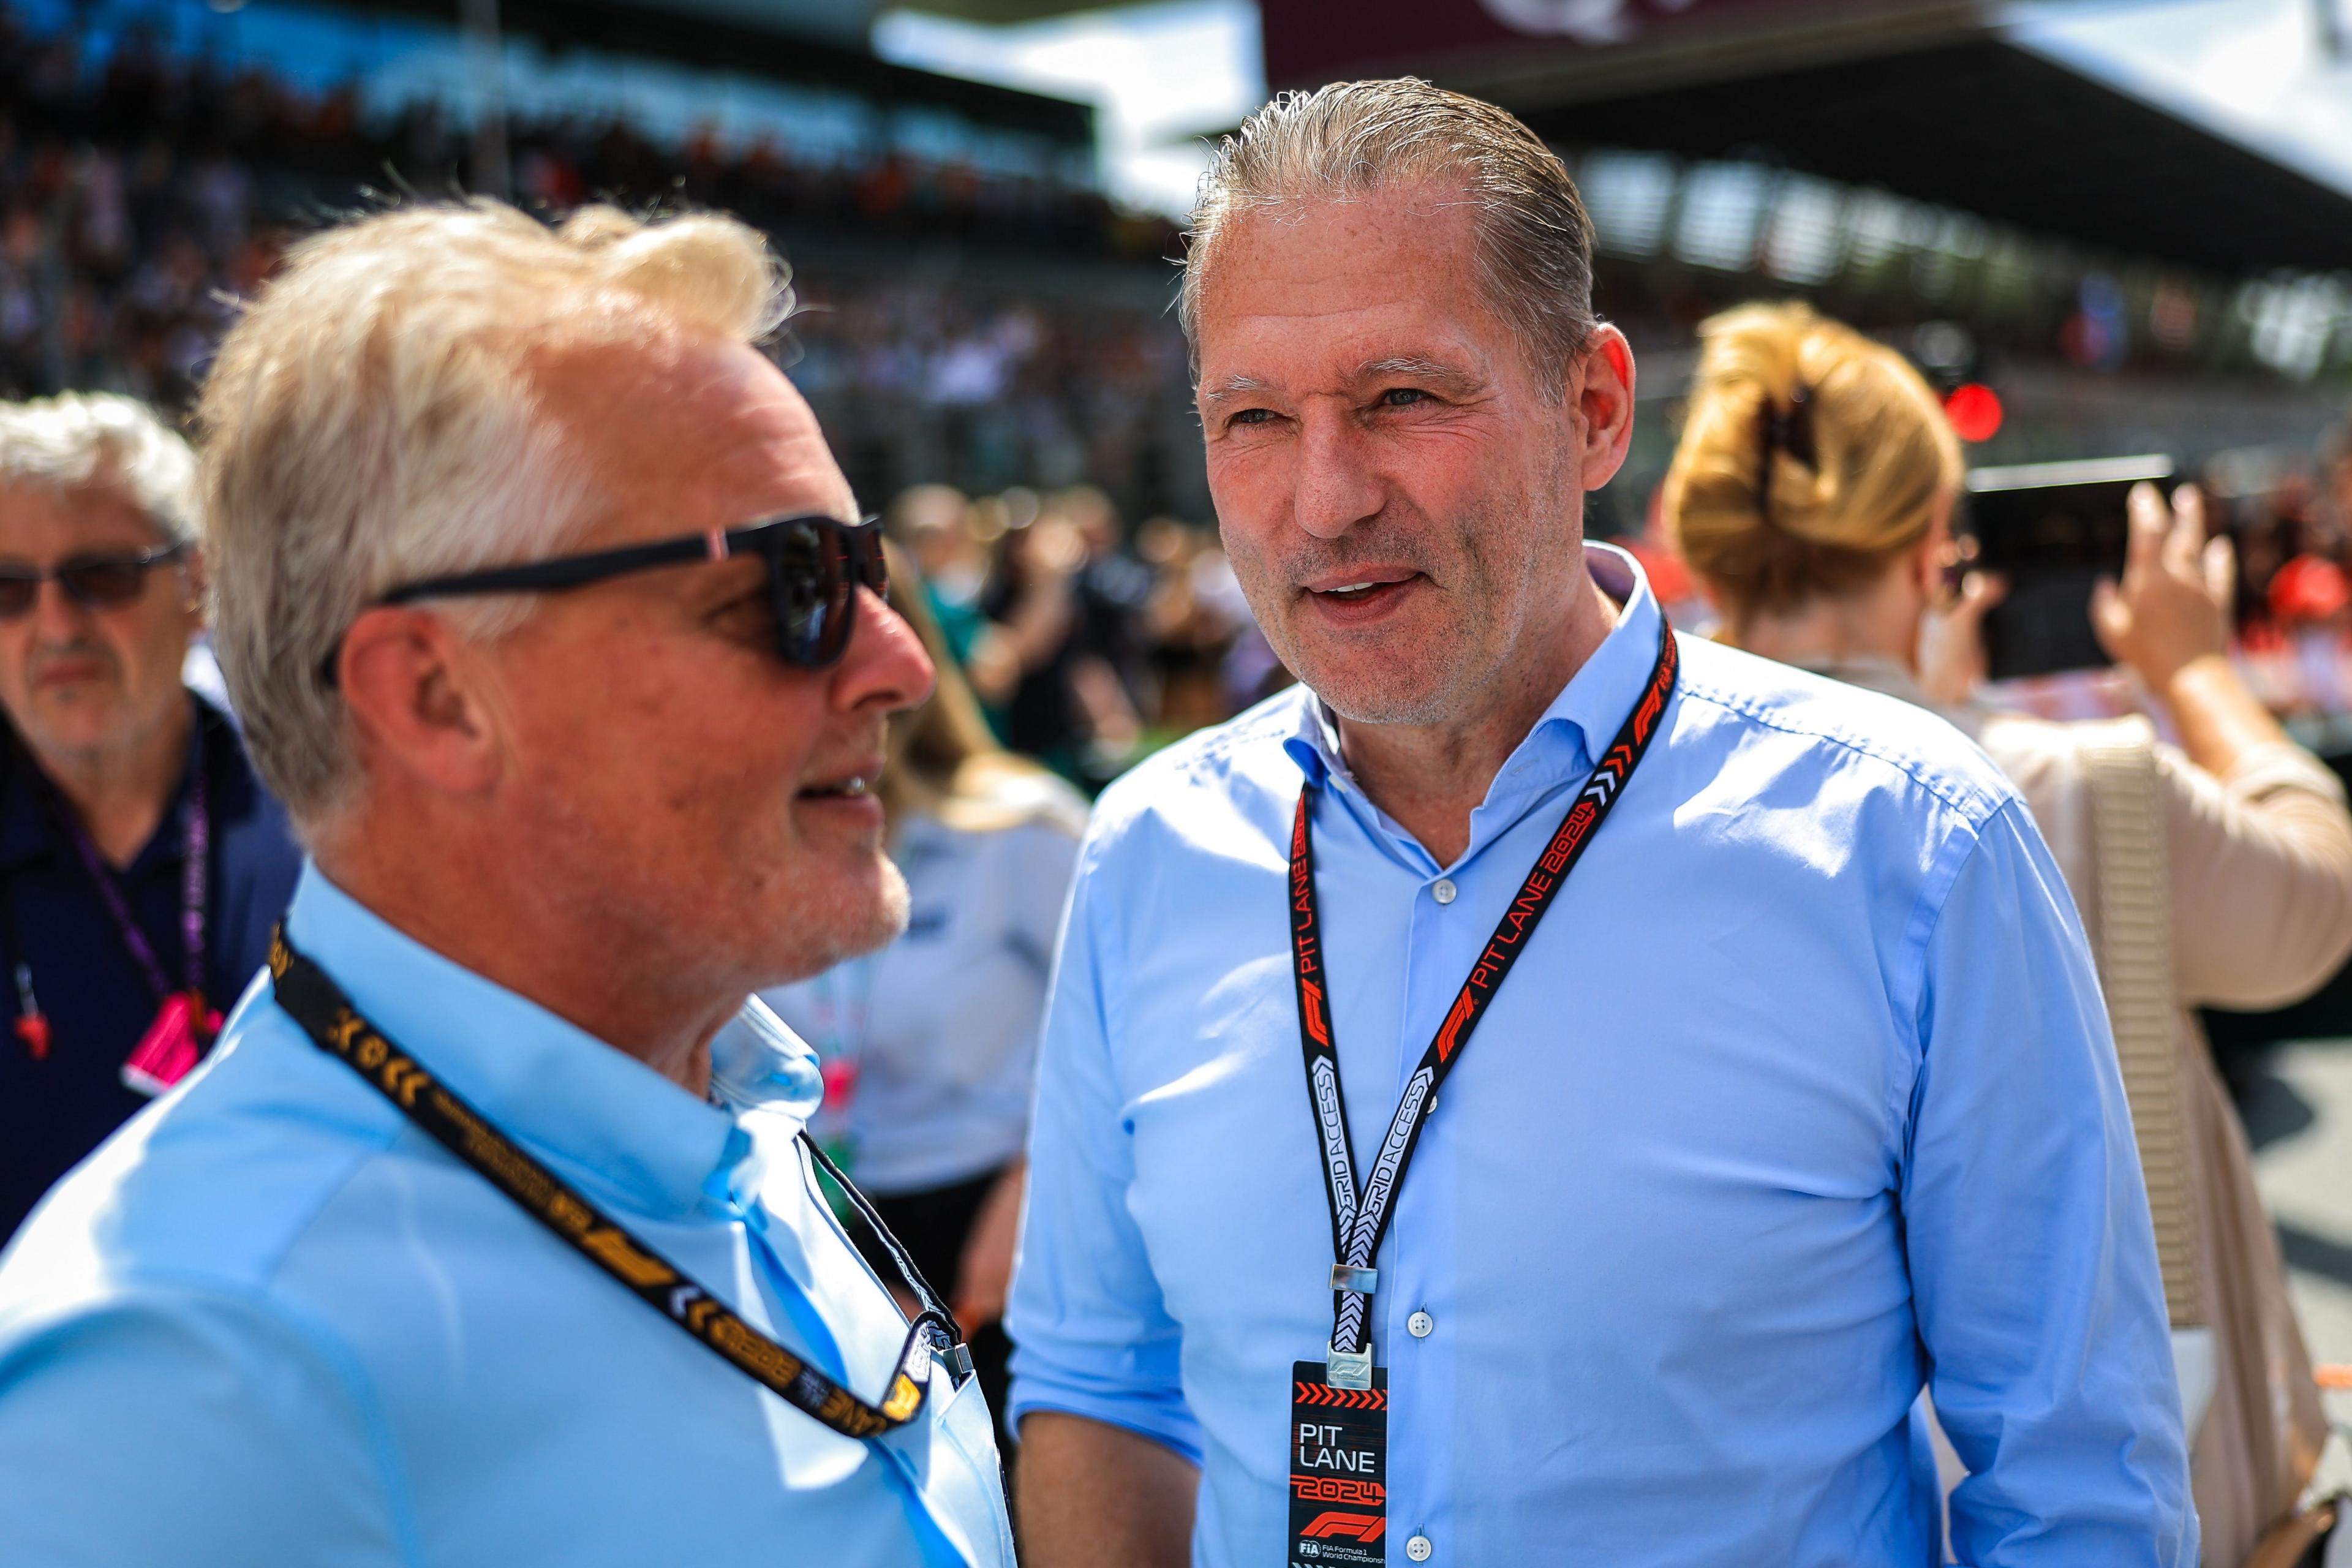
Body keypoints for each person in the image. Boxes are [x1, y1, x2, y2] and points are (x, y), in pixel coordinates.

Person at [1006, 79, 2193, 1567]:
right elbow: (1101, 1391)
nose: (1323, 499)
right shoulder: (1146, 855)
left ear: (1595, 408)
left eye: (1402, 398)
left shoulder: (1913, 844)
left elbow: (2078, 1486)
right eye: (1253, 417)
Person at [0, 202, 1014, 1566]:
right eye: (789, 584)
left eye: (865, 565)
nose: (901, 662)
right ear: (436, 695)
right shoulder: (194, 1371)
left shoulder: (719, 1092)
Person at [1661, 300, 2352, 1566]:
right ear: (1934, 548)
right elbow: (2313, 905)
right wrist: (2195, 669)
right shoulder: (2056, 785)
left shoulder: (1625, 817)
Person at [761, 549, 1087, 1446]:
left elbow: (1130, 1041)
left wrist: (1029, 1198)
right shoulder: (748, 840)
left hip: (996, 1233)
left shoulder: (1021, 826)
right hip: (812, 1223)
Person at [0, 391, 299, 1244]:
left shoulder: (329, 814)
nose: (55, 624)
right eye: (9, 591)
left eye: (101, 578)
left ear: (198, 584)